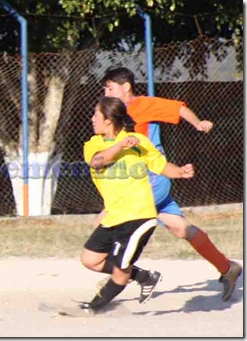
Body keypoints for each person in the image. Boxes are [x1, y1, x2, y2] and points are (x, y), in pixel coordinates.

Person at [100, 67, 242, 302]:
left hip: (152, 180)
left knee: (110, 220)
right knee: (180, 228)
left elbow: (178, 108)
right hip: (145, 181)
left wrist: (197, 123)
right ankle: (228, 268)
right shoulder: (116, 112)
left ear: (126, 87)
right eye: (105, 88)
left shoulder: (143, 105)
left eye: (110, 87)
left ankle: (129, 276)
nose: (106, 91)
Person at [79, 96, 195, 314]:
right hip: (115, 215)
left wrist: (180, 172)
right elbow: (98, 161)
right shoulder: (93, 143)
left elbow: (160, 166)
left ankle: (92, 308)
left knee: (120, 274)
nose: (92, 118)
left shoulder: (137, 141)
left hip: (138, 216)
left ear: (108, 120)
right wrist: (120, 145)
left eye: (96, 114)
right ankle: (145, 277)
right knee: (90, 259)